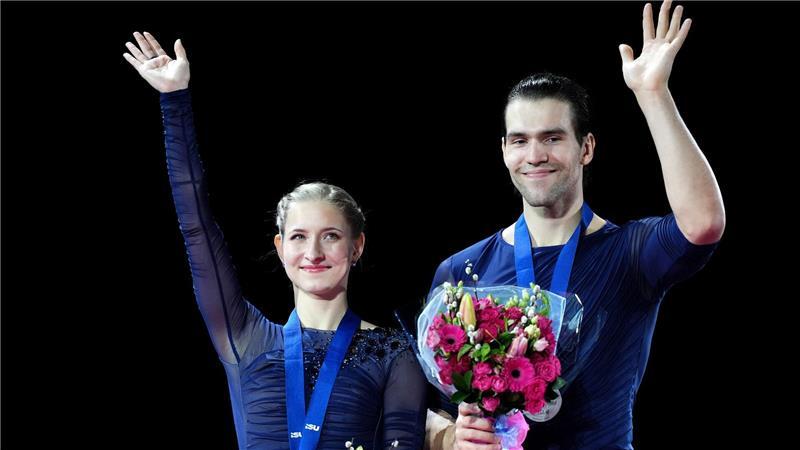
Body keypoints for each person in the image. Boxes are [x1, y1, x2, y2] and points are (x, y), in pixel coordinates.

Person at [420, 1, 725, 448]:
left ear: (586, 148)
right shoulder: (461, 271)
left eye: (552, 138)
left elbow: (703, 223)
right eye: (520, 140)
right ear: (504, 151)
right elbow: (426, 406)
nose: (535, 155)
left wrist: (653, 94)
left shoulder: (629, 253)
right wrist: (451, 436)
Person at [123, 32, 427, 450]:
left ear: (356, 247)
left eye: (331, 236)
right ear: (281, 248)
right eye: (299, 237)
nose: (313, 253)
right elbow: (196, 227)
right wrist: (174, 100)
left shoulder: (392, 352)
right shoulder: (246, 338)